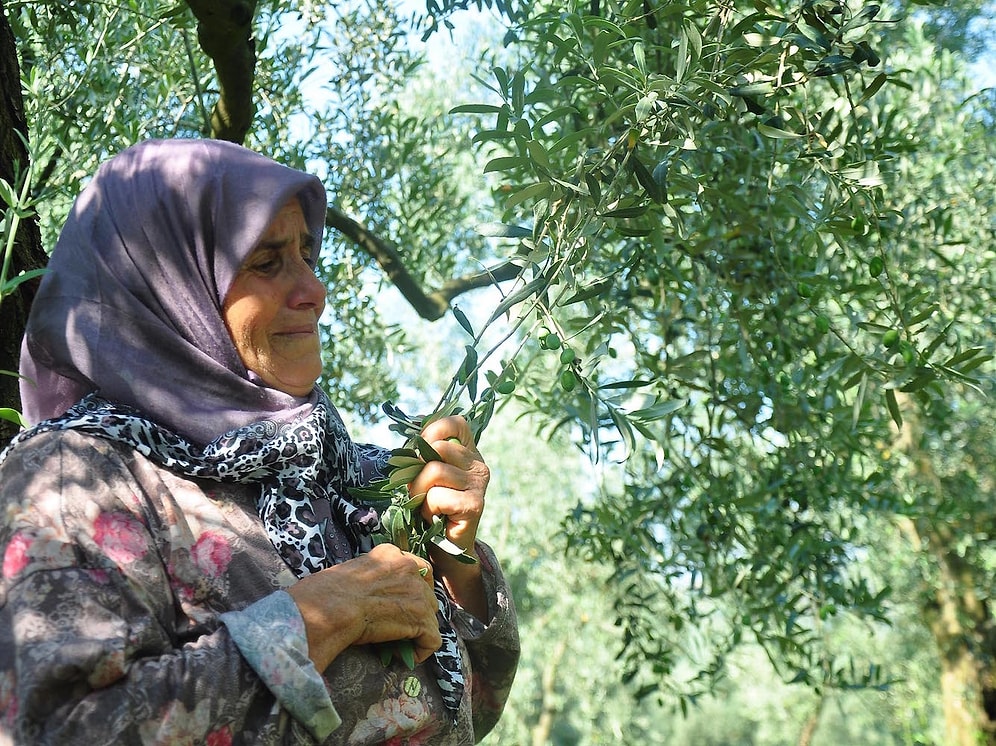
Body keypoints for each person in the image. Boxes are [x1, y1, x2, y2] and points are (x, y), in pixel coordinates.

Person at [0, 138, 519, 745]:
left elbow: (469, 711)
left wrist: (454, 556)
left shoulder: (342, 477)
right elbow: (59, 729)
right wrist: (314, 621)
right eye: (267, 263)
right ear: (170, 287)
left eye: (307, 254)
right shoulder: (75, 478)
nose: (314, 291)